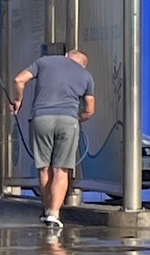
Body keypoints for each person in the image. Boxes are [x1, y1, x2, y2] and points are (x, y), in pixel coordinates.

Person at [10, 42, 95, 227]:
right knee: (61, 169)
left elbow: (19, 80)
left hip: (41, 118)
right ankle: (54, 215)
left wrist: (17, 101)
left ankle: (47, 209)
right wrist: (76, 119)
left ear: (66, 56)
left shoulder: (45, 62)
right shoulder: (85, 75)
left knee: (44, 168)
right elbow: (90, 109)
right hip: (68, 121)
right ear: (82, 64)